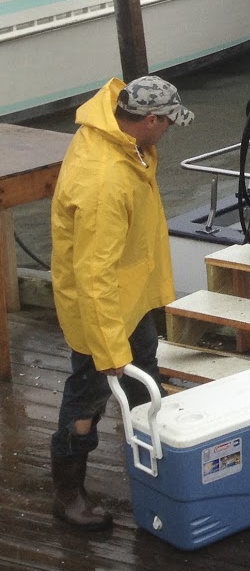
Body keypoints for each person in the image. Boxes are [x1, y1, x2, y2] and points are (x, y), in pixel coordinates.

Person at [49, 75, 194, 531]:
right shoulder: (106, 181)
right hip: (102, 315)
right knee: (86, 404)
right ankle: (68, 495)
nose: (168, 130)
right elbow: (94, 277)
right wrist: (109, 350)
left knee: (146, 379)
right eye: (167, 122)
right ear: (148, 120)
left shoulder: (120, 138)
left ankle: (159, 463)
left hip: (129, 299)